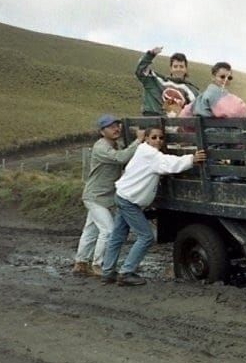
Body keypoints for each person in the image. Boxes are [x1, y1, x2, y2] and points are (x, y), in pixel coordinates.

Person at [101, 127, 207, 286]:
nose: (158, 140)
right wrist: (192, 159)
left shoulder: (144, 152)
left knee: (118, 235)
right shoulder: (149, 154)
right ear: (147, 139)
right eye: (154, 137)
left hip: (124, 196)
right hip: (129, 200)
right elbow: (169, 163)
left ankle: (108, 271)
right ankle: (126, 272)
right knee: (146, 236)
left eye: (161, 138)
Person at [73, 115, 144, 277]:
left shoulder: (115, 144)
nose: (116, 129)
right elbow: (121, 158)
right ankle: (99, 264)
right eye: (110, 127)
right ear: (101, 131)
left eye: (117, 125)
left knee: (91, 230)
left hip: (102, 196)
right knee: (108, 230)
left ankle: (81, 263)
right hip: (95, 197)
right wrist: (138, 141)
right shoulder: (101, 147)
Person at [135, 46, 200, 116]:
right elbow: (141, 71)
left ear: (186, 69)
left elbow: (198, 109)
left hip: (179, 124)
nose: (178, 69)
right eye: (175, 66)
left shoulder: (192, 91)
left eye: (181, 66)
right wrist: (150, 55)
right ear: (171, 69)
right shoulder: (157, 81)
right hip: (156, 121)